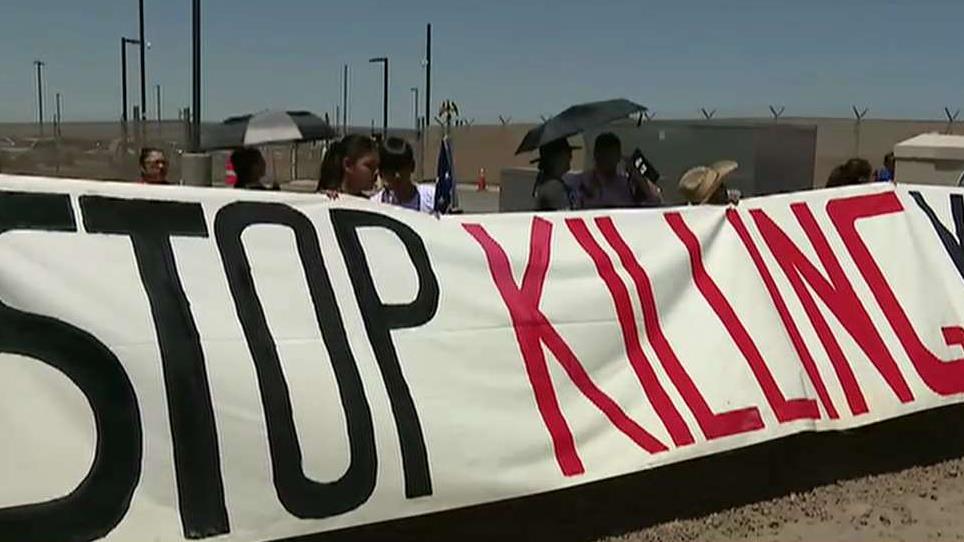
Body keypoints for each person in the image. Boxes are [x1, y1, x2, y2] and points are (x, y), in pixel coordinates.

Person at [565, 132, 662, 209]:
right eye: (604, 154)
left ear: (618, 156)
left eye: (612, 154)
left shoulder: (627, 184)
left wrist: (639, 178)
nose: (608, 159)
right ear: (596, 155)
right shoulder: (581, 181)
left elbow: (655, 204)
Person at [371, 137, 435, 213]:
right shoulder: (375, 204)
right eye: (391, 171)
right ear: (381, 173)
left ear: (412, 167)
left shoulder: (432, 198)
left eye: (402, 169)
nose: (397, 176)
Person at [532, 138, 578, 211]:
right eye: (567, 152)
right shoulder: (554, 187)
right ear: (556, 159)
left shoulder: (544, 182)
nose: (570, 156)